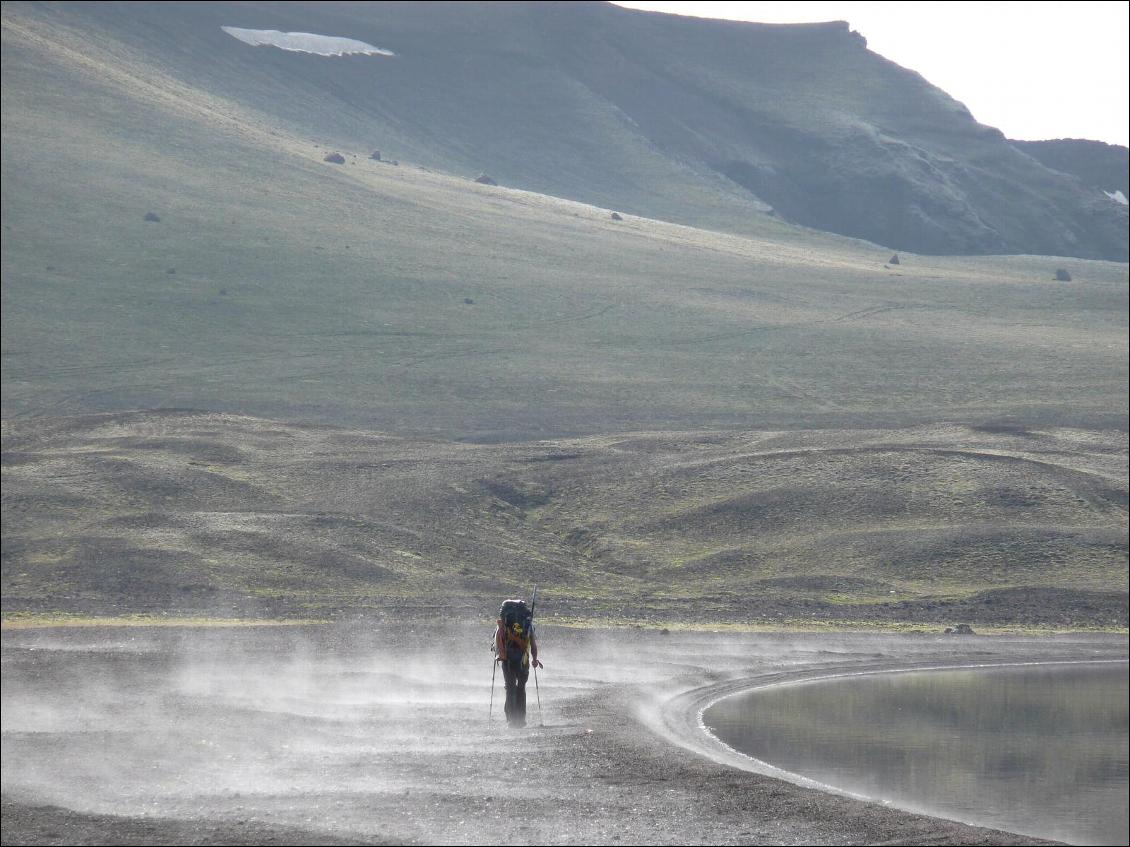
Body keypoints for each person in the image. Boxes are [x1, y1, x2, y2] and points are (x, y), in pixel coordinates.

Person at [494, 599, 542, 728]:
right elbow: (533, 644)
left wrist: (500, 654)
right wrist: (535, 659)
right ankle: (521, 719)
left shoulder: (503, 625)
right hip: (523, 660)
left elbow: (498, 642)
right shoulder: (528, 624)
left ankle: (510, 719)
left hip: (507, 660)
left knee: (510, 687)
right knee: (521, 688)